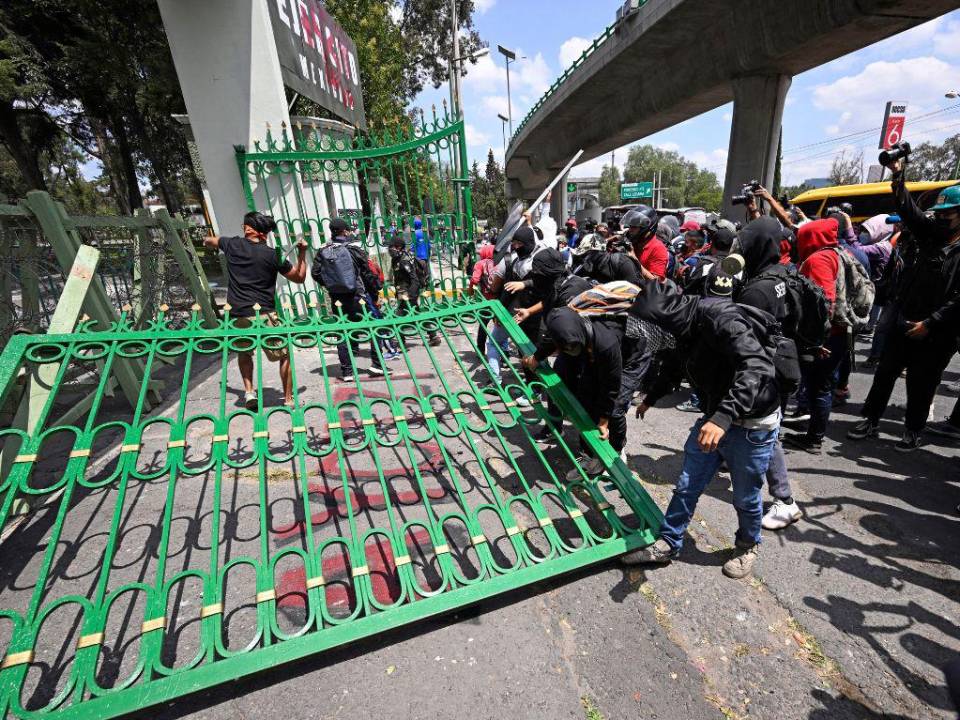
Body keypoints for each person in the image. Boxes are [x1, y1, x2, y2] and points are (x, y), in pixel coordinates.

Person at [622, 279, 781, 579]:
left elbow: (757, 366)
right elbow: (672, 367)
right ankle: (669, 541)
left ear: (663, 318)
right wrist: (650, 399)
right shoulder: (679, 330)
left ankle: (747, 545)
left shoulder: (719, 318)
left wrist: (723, 418)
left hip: (751, 423)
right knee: (687, 484)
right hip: (715, 417)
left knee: (746, 496)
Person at [847, 171, 960, 451]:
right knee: (885, 373)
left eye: (948, 214)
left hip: (937, 332)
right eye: (940, 213)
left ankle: (912, 431)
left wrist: (931, 323)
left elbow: (959, 299)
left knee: (922, 384)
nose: (941, 218)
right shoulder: (930, 236)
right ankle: (870, 420)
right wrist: (898, 181)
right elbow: (911, 215)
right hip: (904, 320)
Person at [734, 217, 806, 530]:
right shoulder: (784, 274)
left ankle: (785, 501)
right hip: (784, 360)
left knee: (765, 433)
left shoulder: (757, 291)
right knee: (769, 430)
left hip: (762, 369)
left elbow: (742, 340)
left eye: (746, 242)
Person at [204, 212, 308, 409]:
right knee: (284, 355)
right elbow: (299, 277)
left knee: (244, 353)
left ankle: (249, 393)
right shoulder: (273, 254)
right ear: (265, 233)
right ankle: (288, 399)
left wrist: (209, 241)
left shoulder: (232, 244)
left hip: (238, 313)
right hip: (264, 313)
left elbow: (210, 241)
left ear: (248, 228)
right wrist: (302, 252)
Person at [530, 307, 625, 475]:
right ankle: (589, 455)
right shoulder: (566, 326)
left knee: (614, 408)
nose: (567, 350)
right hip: (592, 353)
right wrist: (536, 358)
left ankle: (616, 451)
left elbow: (611, 386)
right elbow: (553, 340)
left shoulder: (606, 343)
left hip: (628, 357)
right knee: (586, 398)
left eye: (570, 347)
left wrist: (603, 420)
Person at [780, 218, 846, 454]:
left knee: (819, 386)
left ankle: (814, 438)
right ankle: (812, 429)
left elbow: (823, 303)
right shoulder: (836, 253)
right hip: (836, 334)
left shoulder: (818, 260)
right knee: (821, 384)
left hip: (824, 337)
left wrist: (816, 341)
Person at [312, 217, 386, 380]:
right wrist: (376, 292)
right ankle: (377, 365)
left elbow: (315, 273)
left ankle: (347, 372)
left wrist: (332, 285)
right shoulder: (354, 250)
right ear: (345, 231)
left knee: (343, 332)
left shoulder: (323, 251)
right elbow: (368, 274)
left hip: (337, 299)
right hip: (359, 297)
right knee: (376, 327)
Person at [388, 233, 441, 347]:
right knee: (416, 313)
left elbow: (415, 280)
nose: (389, 249)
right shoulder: (396, 259)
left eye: (391, 247)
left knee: (399, 316)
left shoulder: (404, 260)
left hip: (408, 293)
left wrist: (411, 295)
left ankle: (401, 343)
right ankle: (433, 336)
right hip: (403, 293)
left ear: (398, 247)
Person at [621, 205, 669, 280]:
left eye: (634, 226)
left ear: (647, 227)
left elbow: (656, 282)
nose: (630, 230)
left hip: (644, 290)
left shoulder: (658, 248)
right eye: (630, 226)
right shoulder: (633, 243)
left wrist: (635, 260)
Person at [469, 243, 498, 352]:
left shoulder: (480, 263)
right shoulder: (499, 263)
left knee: (483, 326)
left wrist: (470, 290)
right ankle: (505, 354)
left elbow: (474, 280)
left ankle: (480, 350)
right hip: (499, 301)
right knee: (500, 327)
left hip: (485, 301)